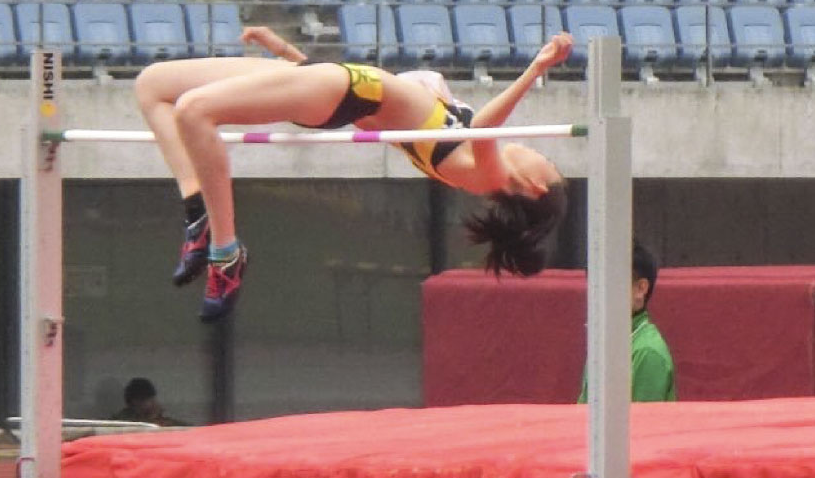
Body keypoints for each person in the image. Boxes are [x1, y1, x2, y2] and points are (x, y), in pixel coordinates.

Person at [135, 27, 575, 322]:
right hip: (330, 81)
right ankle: (197, 209)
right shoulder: (458, 136)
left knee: (194, 111)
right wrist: (286, 52)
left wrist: (535, 69)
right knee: (152, 85)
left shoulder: (485, 177)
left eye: (546, 160)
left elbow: (483, 129)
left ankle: (225, 250)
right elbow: (353, 107)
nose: (536, 148)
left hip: (345, 87)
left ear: (535, 186)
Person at [578, 242, 676, 403]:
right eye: (594, 284)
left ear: (641, 288)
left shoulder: (648, 352)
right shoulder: (606, 340)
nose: (598, 294)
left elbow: (643, 425)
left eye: (609, 283)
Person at [109, 378, 185, 426]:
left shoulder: (166, 422)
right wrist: (152, 418)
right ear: (135, 401)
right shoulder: (120, 423)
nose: (154, 403)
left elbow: (187, 429)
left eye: (153, 399)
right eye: (149, 399)